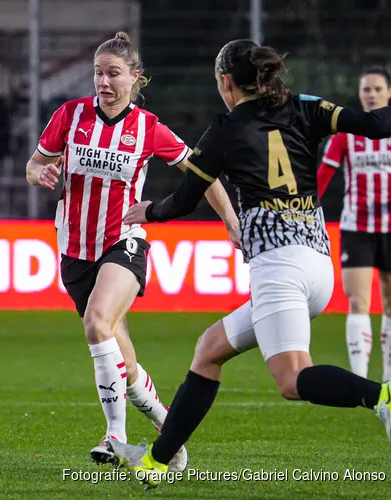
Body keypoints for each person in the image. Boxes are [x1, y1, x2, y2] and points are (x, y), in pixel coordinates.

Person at [108, 39, 391, 489]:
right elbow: (377, 125)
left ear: (226, 82)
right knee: (209, 350)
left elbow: (185, 199)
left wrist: (148, 211)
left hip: (279, 269)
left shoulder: (226, 128)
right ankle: (158, 460)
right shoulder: (305, 107)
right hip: (318, 265)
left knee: (292, 379)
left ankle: (386, 396)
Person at [25, 32, 241, 469]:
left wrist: (232, 223)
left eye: (113, 74)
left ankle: (114, 436)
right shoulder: (70, 115)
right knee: (119, 355)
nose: (103, 82)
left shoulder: (148, 128)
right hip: (74, 249)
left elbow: (203, 174)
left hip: (123, 242)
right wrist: (38, 175)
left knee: (97, 322)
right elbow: (35, 163)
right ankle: (169, 430)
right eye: (98, 73)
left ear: (135, 78)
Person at [318, 67, 391, 382]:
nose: (371, 94)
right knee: (358, 301)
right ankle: (360, 379)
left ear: (389, 92)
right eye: (366, 89)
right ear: (360, 95)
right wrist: (306, 206)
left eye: (378, 89)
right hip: (357, 226)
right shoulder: (346, 134)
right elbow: (323, 176)